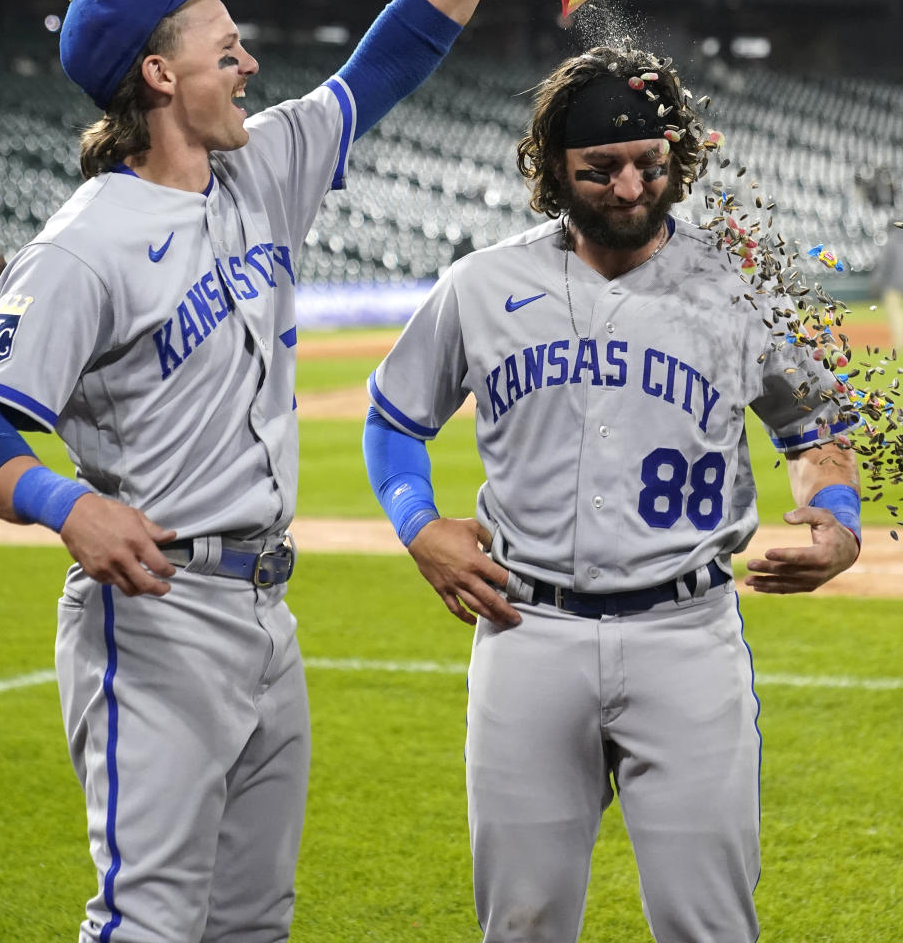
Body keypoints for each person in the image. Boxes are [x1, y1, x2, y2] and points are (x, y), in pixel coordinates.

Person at [0, 0, 582, 943]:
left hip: (263, 611)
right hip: (155, 613)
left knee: (251, 922)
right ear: (158, 76)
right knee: (147, 920)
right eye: (221, 44)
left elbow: (393, 58)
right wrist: (68, 507)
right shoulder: (83, 248)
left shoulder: (264, 169)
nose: (246, 61)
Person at [363, 45, 862, 943]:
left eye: (651, 167)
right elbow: (394, 421)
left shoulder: (740, 287)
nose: (631, 189)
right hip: (527, 633)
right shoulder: (481, 285)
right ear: (551, 170)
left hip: (687, 637)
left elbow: (815, 429)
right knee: (521, 923)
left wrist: (837, 520)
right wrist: (418, 525)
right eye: (601, 171)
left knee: (708, 923)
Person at [872, 217, 903, 355]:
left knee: (895, 313)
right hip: (896, 282)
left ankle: (900, 343)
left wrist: (877, 282)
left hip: (894, 284)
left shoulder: (892, 241)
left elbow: (885, 265)